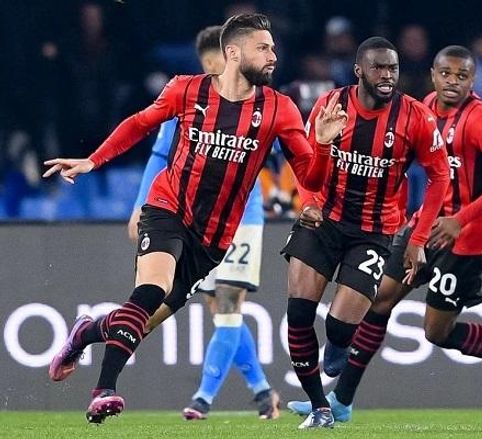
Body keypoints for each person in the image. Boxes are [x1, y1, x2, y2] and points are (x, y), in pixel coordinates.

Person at [44, 13, 347, 424]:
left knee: (143, 321)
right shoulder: (186, 90)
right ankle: (104, 390)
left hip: (213, 239)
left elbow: (310, 177)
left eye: (273, 48)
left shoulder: (280, 109)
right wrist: (93, 160)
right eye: (263, 47)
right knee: (151, 290)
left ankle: (85, 332)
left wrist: (323, 146)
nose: (273, 55)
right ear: (234, 52)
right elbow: (140, 124)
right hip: (167, 208)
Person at [286, 45, 482, 423]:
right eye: (445, 74)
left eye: (461, 76)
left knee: (437, 332)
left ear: (473, 81)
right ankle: (341, 401)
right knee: (378, 302)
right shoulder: (425, 107)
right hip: (424, 226)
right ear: (432, 75)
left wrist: (460, 219)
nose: (452, 82)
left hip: (467, 238)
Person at [281, 36, 451, 429]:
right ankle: (320, 406)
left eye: (392, 68)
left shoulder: (415, 117)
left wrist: (418, 239)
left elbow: (440, 177)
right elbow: (307, 164)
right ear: (359, 70)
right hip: (324, 219)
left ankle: (339, 343)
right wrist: (307, 202)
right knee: (299, 313)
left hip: (374, 231)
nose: (387, 75)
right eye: (378, 67)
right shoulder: (330, 105)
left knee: (339, 326)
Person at [125, 25, 279, 421]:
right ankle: (263, 392)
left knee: (228, 303)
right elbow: (160, 154)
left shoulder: (260, 102)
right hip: (196, 219)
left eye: (219, 65)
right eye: (209, 65)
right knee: (222, 309)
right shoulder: (190, 98)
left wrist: (282, 190)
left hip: (242, 217)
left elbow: (281, 149)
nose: (216, 73)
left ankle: (202, 399)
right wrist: (141, 204)